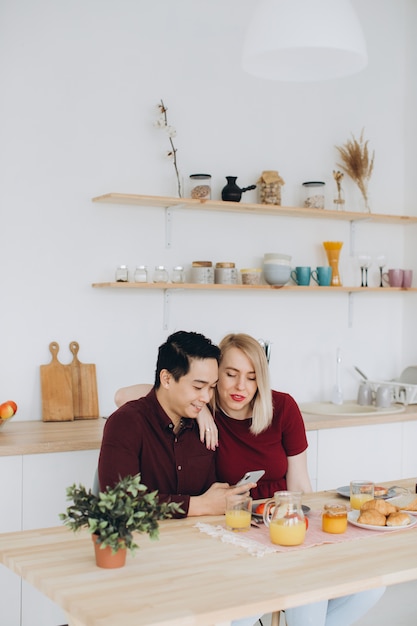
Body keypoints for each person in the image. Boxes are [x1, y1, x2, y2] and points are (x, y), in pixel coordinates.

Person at [117, 333, 385, 626]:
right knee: (305, 593)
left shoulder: (282, 408)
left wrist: (312, 536)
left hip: (286, 523)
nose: (240, 387)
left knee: (372, 582)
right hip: (239, 534)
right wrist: (205, 409)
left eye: (251, 377)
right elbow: (130, 395)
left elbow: (301, 487)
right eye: (230, 375)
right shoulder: (200, 409)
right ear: (215, 376)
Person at [98, 330, 255, 518]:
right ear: (166, 379)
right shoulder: (126, 423)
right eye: (198, 387)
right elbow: (119, 502)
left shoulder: (204, 426)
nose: (206, 397)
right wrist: (200, 505)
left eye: (212, 387)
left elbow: (211, 494)